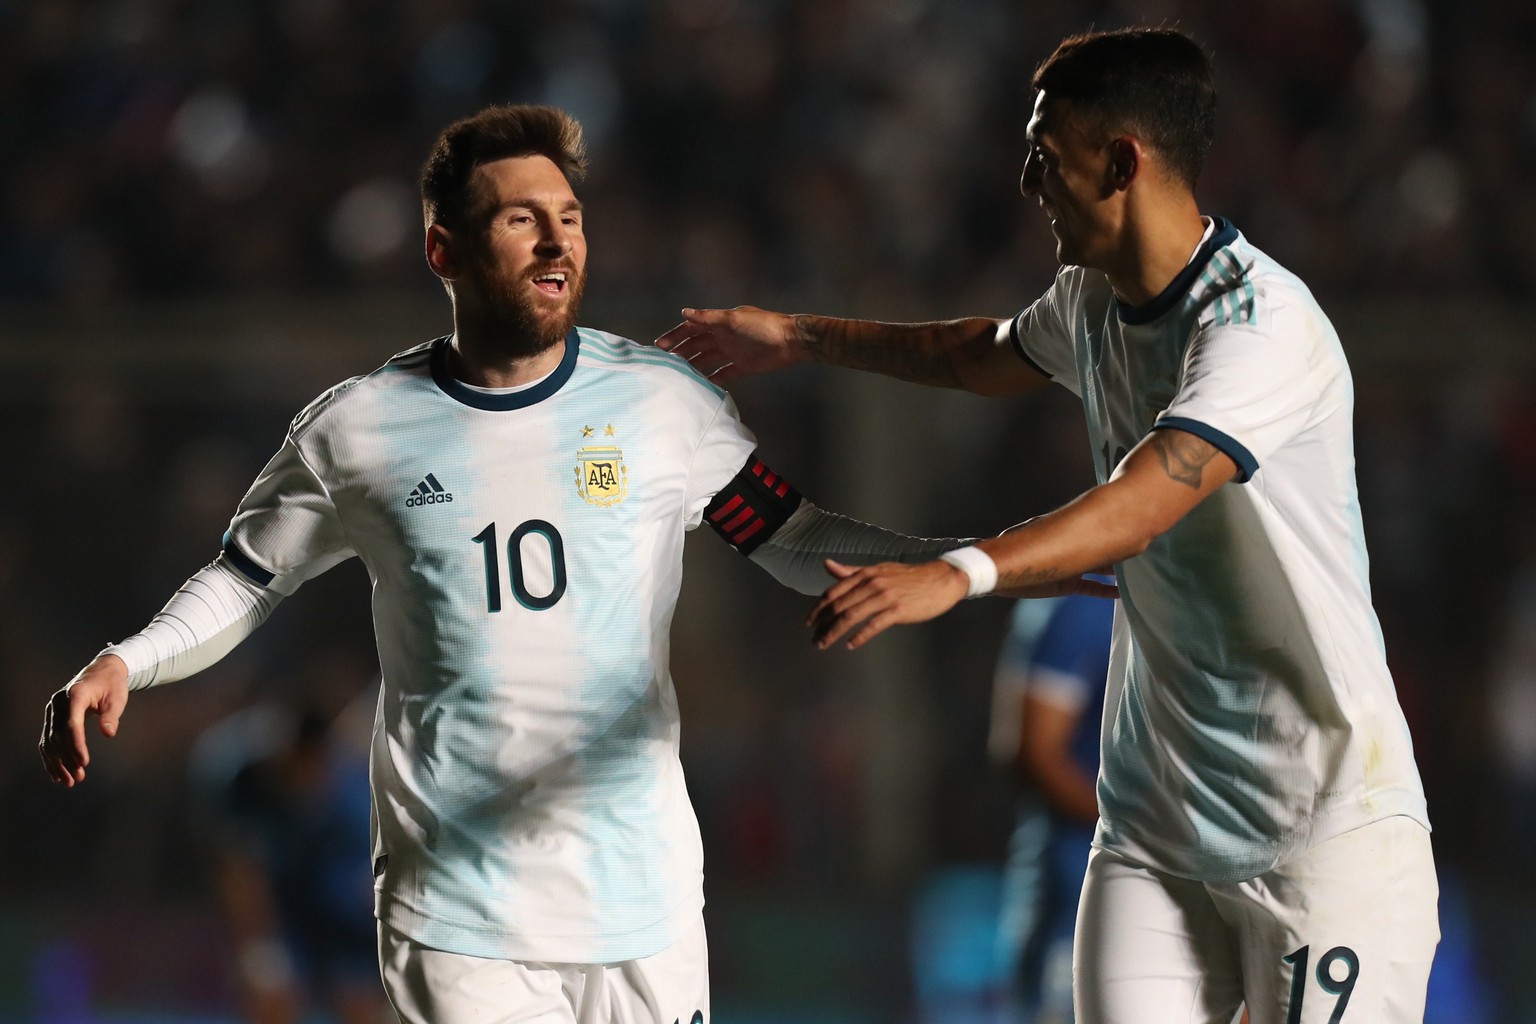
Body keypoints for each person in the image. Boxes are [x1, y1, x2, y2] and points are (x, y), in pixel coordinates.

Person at [37, 104, 1109, 1024]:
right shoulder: (356, 429)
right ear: (444, 252)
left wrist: (976, 565)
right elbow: (243, 578)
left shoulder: (661, 404)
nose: (557, 243)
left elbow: (792, 536)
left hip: (641, 900)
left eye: (571, 218)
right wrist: (131, 659)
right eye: (520, 219)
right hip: (461, 911)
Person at [656, 27, 1437, 1024]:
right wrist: (802, 337)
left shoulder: (1261, 326)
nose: (1026, 179)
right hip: (1155, 827)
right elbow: (978, 355)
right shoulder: (1091, 300)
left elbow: (1149, 494)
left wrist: (960, 573)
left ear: (1121, 160)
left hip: (1323, 828)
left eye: (1042, 150)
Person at [189, 684, 388, 1024]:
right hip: (287, 912)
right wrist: (258, 947)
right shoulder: (247, 788)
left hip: (349, 919)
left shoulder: (357, 800)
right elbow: (240, 871)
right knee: (269, 989)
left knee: (359, 1000)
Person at [989, 594, 1112, 1024]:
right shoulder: (1081, 602)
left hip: (1184, 887)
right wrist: (1150, 830)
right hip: (1075, 892)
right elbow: (1033, 751)